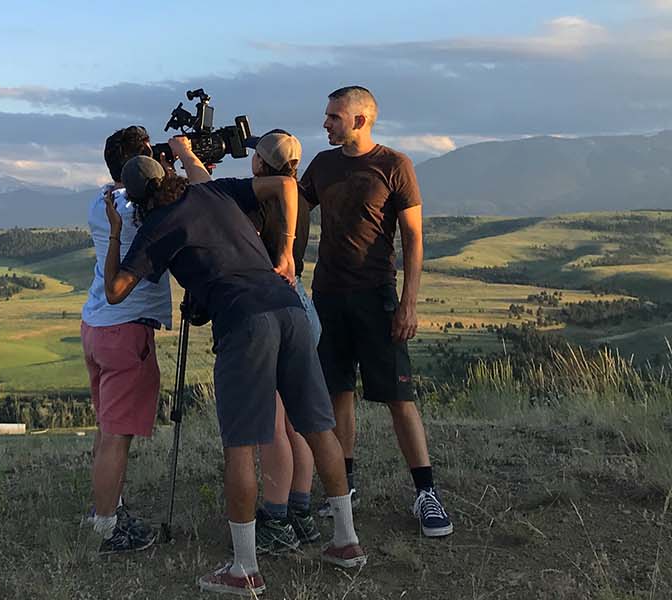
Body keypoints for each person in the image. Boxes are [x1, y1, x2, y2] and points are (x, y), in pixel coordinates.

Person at [105, 140, 365, 597]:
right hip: (289, 307)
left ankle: (244, 568)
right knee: (319, 427)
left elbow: (115, 291)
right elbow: (285, 184)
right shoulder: (216, 191)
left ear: (137, 200)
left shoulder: (158, 226)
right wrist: (285, 254)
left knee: (242, 445)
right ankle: (346, 542)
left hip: (244, 323)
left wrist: (113, 233)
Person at [301, 86, 453, 538]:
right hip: (327, 296)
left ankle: (426, 493)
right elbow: (289, 209)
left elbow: (415, 240)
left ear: (360, 120)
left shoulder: (395, 166)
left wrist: (408, 302)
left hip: (377, 296)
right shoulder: (322, 166)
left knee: (397, 398)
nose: (325, 123)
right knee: (337, 395)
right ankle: (343, 489)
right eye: (326, 115)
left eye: (333, 116)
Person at [79, 125, 177, 554]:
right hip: (127, 328)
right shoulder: (143, 210)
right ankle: (107, 526)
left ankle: (106, 509)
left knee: (107, 427)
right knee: (118, 434)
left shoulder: (101, 203)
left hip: (96, 324)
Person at [230, 130, 323, 555]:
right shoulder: (300, 199)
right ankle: (300, 510)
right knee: (297, 421)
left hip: (270, 306)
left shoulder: (258, 203)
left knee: (271, 425)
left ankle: (276, 516)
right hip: (302, 303)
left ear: (261, 166)